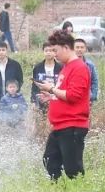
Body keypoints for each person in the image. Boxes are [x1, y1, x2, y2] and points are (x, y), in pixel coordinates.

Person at [38, 30, 91, 181]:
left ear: (66, 47)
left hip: (72, 125)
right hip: (60, 126)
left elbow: (73, 96)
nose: (54, 54)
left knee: (73, 169)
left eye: (56, 50)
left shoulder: (79, 68)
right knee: (50, 161)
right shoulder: (66, 67)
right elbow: (65, 93)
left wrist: (52, 89)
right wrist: (52, 96)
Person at [0, 44, 23, 110]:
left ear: (7, 51)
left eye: (3, 50)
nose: (1, 52)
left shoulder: (15, 65)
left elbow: (20, 80)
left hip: (14, 98)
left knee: (15, 118)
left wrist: (14, 91)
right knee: (1, 118)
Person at [30, 45, 59, 111]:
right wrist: (33, 101)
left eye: (51, 50)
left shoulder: (60, 67)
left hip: (55, 98)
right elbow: (34, 85)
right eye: (46, 51)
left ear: (55, 52)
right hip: (41, 98)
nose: (48, 53)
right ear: (43, 52)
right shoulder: (37, 67)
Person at [74, 38, 100, 104]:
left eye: (82, 47)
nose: (79, 49)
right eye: (77, 47)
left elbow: (94, 81)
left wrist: (93, 96)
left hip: (87, 100)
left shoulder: (90, 65)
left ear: (85, 49)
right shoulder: (67, 64)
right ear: (73, 49)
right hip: (72, 98)